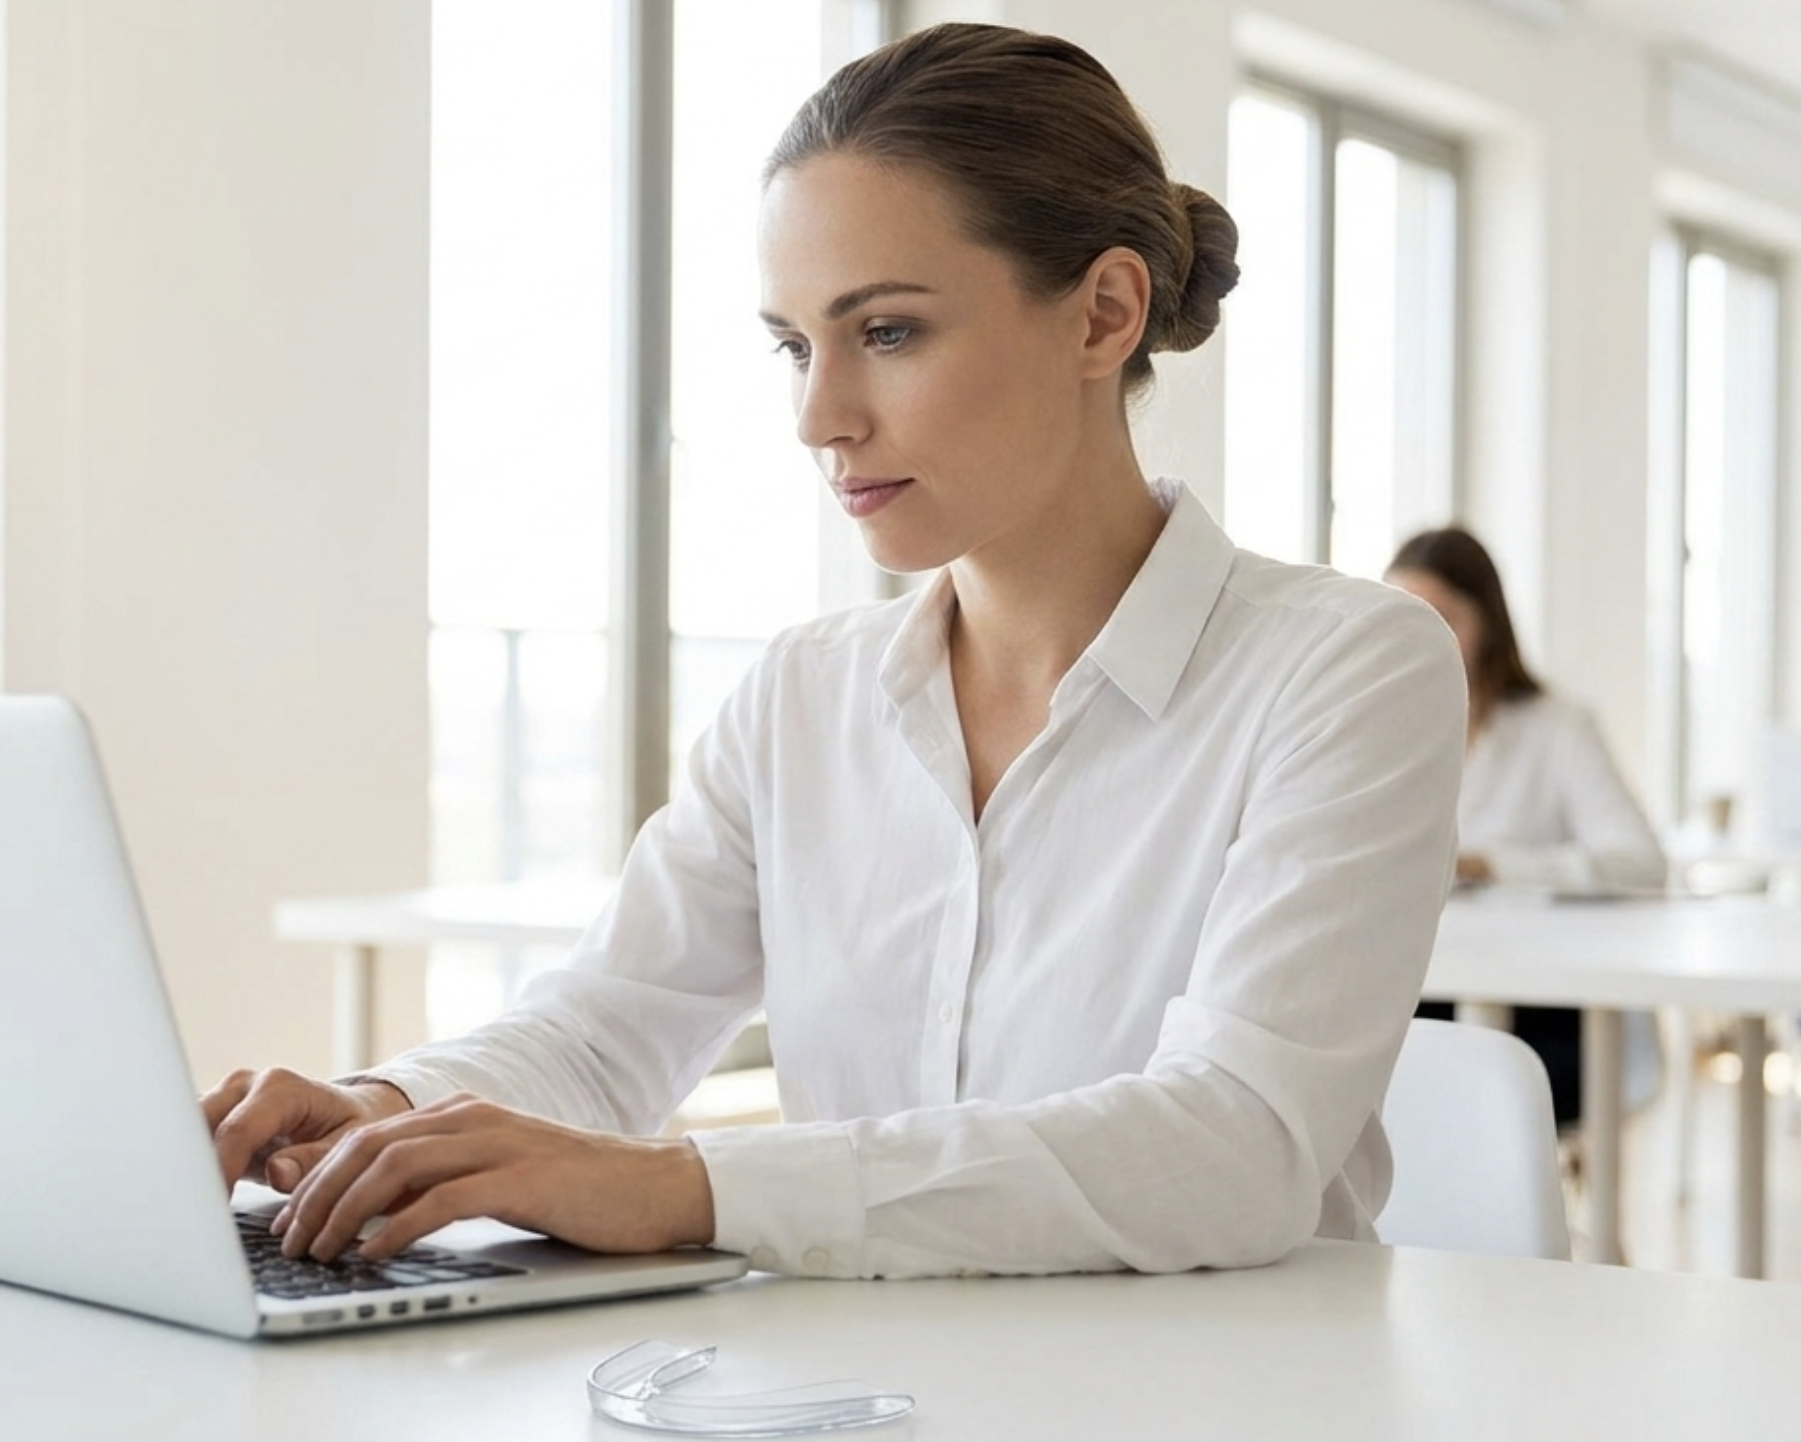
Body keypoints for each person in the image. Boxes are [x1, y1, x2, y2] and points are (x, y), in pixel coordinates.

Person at [203, 23, 1466, 1280]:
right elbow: (604, 1031)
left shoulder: (1344, 669)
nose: (819, 417)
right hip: (856, 1389)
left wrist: (683, 1184)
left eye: (888, 333)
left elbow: (1228, 1148)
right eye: (793, 345)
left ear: (1103, 312)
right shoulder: (801, 697)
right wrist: (386, 1110)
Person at [1386, 526, 1668, 1126]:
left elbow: (1640, 861)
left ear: (1488, 623)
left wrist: (1490, 864)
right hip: (1413, 992)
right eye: (1404, 613)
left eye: (1444, 616)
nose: (1423, 635)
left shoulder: (1557, 728)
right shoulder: (1381, 731)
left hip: (1540, 1010)